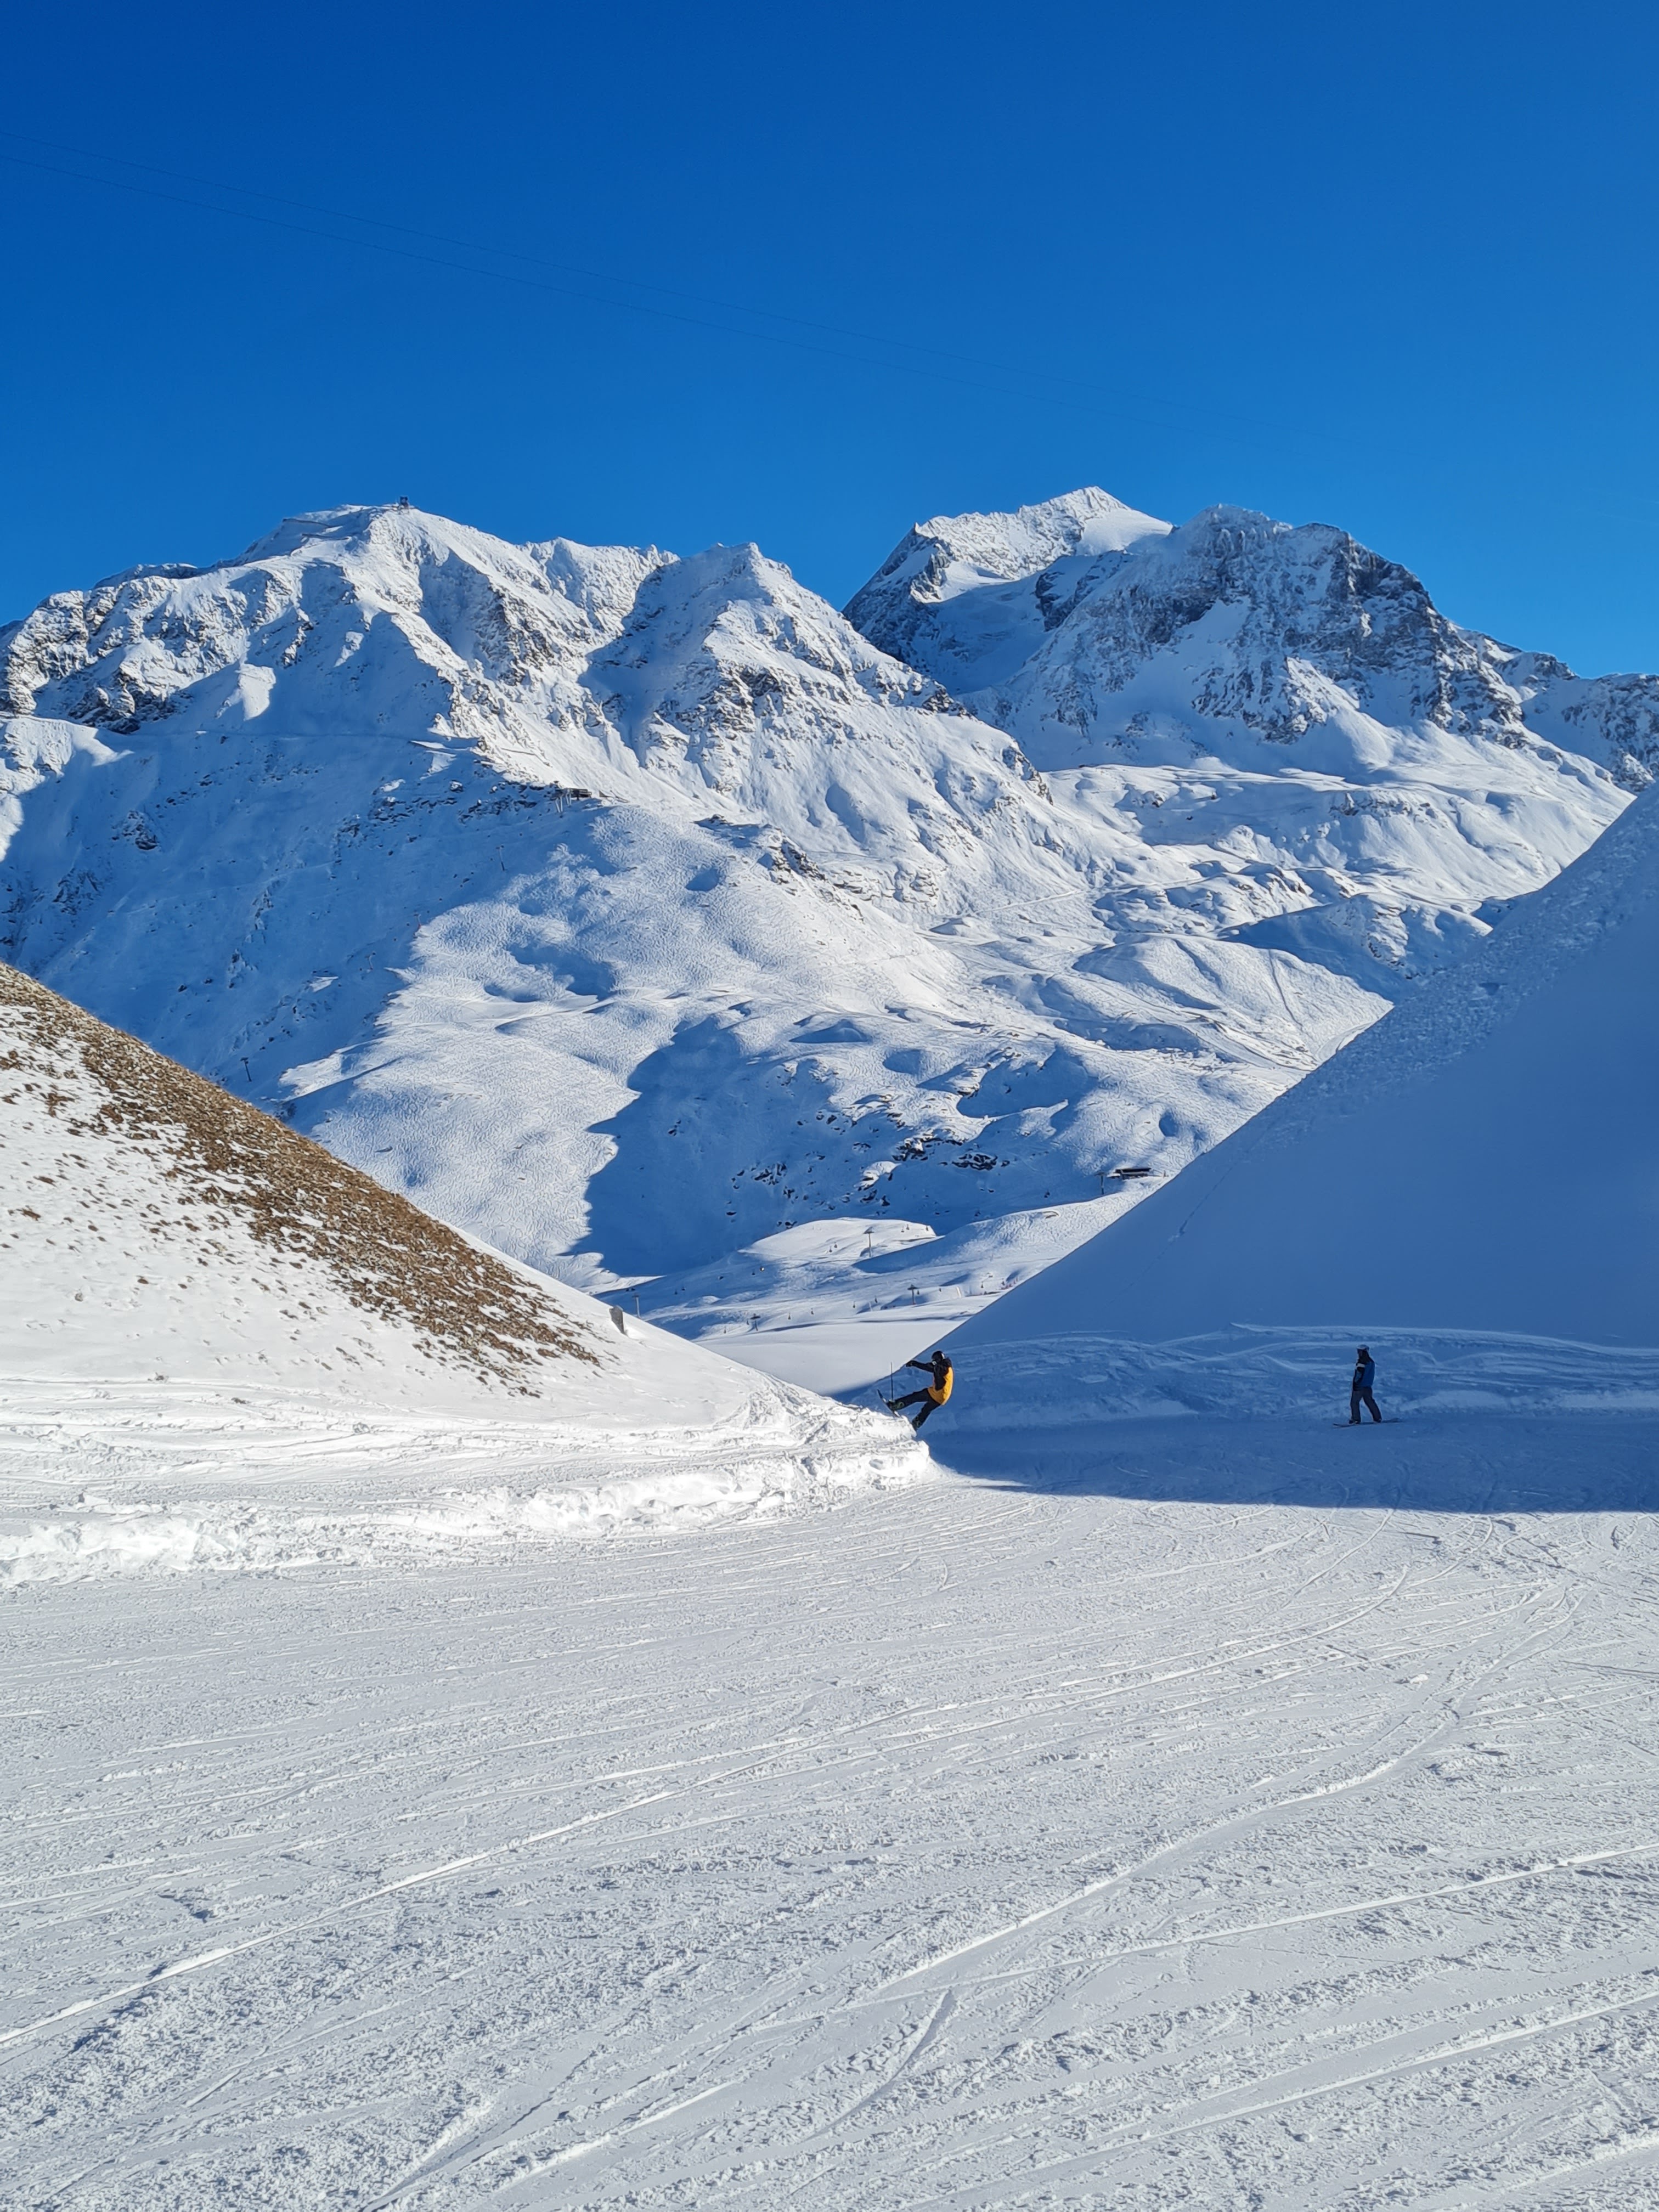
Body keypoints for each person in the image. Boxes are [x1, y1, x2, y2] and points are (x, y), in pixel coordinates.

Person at [888, 1349, 953, 1431]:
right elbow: (930, 1368)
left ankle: (896, 1405)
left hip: (937, 1393)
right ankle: (916, 1424)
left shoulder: (944, 1368)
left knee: (915, 1397)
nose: (933, 1362)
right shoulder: (946, 1367)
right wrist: (915, 1364)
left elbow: (934, 1368)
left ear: (937, 1360)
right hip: (943, 1397)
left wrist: (915, 1363)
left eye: (934, 1361)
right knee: (926, 1410)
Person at [1350, 1345, 1381, 1425]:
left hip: (1360, 1387)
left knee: (1354, 1403)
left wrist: (1355, 1384)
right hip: (1368, 1386)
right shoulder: (1371, 1362)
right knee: (1370, 1402)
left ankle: (1355, 1419)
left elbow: (1359, 1375)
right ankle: (1378, 1418)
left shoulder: (1362, 1362)